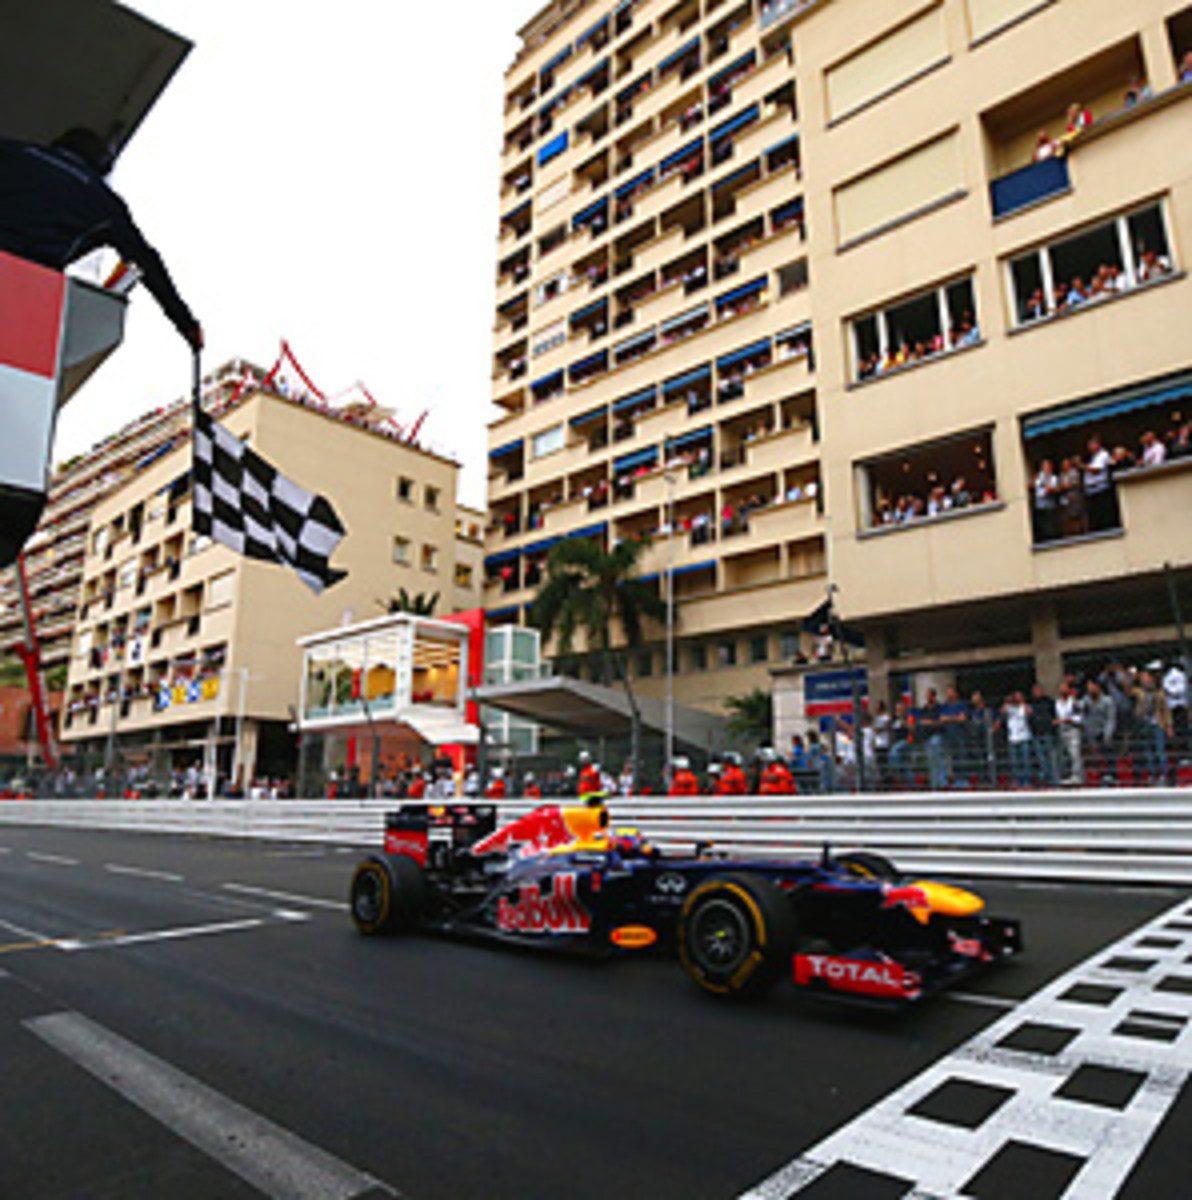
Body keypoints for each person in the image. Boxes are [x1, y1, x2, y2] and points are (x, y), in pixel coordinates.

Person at [0, 129, 201, 349]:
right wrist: (186, 323)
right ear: (102, 166)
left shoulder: (14, 151)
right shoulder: (105, 204)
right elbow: (146, 262)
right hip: (26, 289)